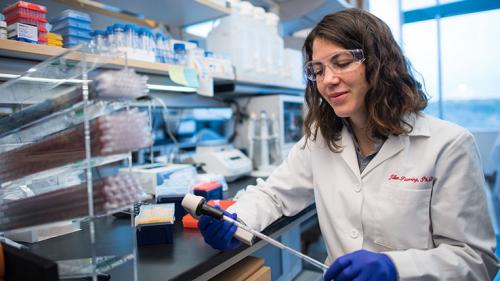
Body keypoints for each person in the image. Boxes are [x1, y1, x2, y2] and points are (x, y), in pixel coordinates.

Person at [198, 8, 500, 281]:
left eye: (341, 63)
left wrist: (394, 268)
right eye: (317, 70)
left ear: (380, 64)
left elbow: (476, 260)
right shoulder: (321, 139)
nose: (327, 79)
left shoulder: (448, 145)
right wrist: (235, 221)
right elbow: (274, 195)